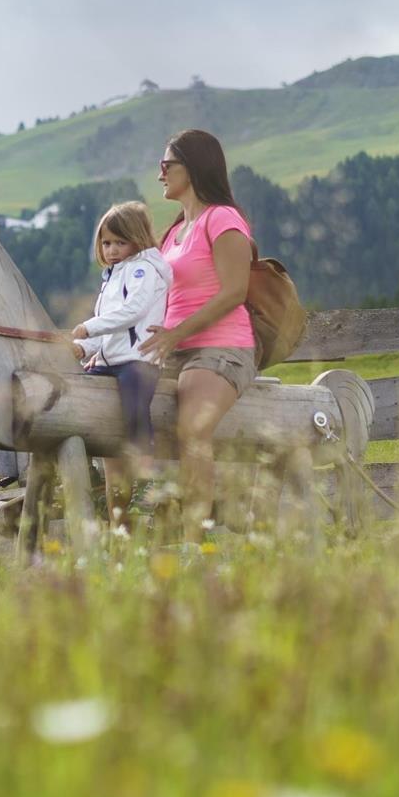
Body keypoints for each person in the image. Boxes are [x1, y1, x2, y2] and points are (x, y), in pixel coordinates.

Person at [137, 130, 256, 540]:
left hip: (223, 346)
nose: (160, 174)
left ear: (194, 166)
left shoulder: (222, 218)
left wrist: (176, 333)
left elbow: (234, 291)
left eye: (167, 164)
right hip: (175, 348)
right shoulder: (171, 235)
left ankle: (193, 540)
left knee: (192, 428)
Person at [69, 200, 171, 527]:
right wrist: (83, 348)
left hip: (137, 360)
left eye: (120, 242)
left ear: (138, 239)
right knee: (78, 396)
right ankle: (84, 462)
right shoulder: (111, 277)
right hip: (112, 359)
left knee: (133, 409)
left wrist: (89, 327)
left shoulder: (143, 270)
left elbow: (133, 313)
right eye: (106, 242)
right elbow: (107, 324)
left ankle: (146, 473)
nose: (111, 250)